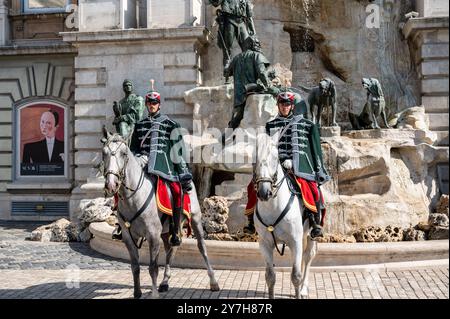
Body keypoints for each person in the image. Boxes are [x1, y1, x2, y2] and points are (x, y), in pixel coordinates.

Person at [243, 91, 330, 239]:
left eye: (287, 104)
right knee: (253, 186)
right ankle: (251, 222)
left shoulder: (304, 124)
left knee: (311, 188)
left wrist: (316, 168)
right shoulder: (270, 125)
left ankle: (315, 223)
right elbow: (267, 147)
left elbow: (314, 149)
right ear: (278, 106)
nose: (285, 107)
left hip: (295, 168)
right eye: (282, 104)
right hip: (274, 166)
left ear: (292, 106)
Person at [112, 90, 193, 247]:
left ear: (159, 105)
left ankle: (176, 230)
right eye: (149, 103)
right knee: (120, 188)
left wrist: (183, 173)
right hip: (143, 165)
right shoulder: (140, 125)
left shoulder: (170, 125)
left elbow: (178, 152)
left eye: (154, 103)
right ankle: (121, 226)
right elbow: (134, 148)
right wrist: (137, 159)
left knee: (176, 191)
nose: (151, 106)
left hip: (164, 167)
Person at [223, 36, 277, 138]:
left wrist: (227, 65)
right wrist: (269, 86)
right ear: (252, 45)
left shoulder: (236, 58)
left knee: (236, 119)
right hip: (252, 90)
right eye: (257, 44)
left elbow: (226, 73)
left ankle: (225, 138)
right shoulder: (257, 56)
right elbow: (262, 73)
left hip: (239, 95)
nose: (259, 46)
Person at [208, 0, 256, 82]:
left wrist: (253, 33)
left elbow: (249, 17)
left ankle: (249, 73)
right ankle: (227, 70)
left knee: (247, 46)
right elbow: (216, 3)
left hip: (241, 22)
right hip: (229, 21)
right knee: (227, 47)